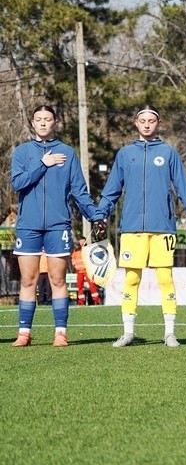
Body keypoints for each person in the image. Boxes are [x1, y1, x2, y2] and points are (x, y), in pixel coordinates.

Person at [96, 105, 186, 348]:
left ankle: (169, 333)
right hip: (132, 227)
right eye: (142, 120)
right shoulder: (125, 154)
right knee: (131, 279)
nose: (147, 124)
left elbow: (184, 188)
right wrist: (100, 215)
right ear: (136, 122)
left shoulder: (168, 153)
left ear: (159, 123)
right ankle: (128, 332)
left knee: (165, 278)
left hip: (163, 227)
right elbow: (111, 190)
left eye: (151, 120)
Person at [10, 104, 104, 347]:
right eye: (38, 119)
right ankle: (24, 333)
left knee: (57, 279)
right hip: (28, 225)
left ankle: (60, 332)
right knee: (28, 280)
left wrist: (95, 216)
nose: (43, 123)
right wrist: (43, 163)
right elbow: (18, 183)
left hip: (58, 224)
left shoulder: (68, 153)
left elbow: (80, 192)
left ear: (55, 122)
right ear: (32, 123)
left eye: (47, 119)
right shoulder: (22, 152)